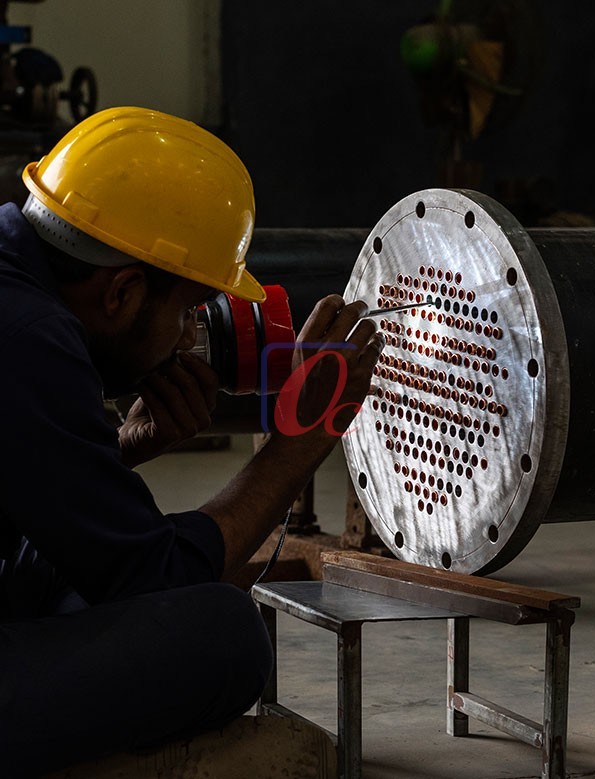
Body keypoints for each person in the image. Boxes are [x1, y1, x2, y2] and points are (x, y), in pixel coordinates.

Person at [0, 106, 382, 777]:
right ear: (121, 290)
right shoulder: (29, 338)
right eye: (184, 311)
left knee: (70, 576)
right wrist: (298, 442)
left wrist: (116, 449)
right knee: (221, 632)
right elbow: (152, 574)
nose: (187, 338)